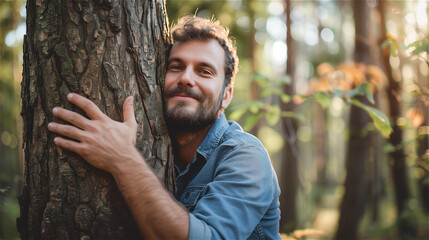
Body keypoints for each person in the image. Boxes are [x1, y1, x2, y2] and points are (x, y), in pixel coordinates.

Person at [48, 16, 281, 239]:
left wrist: (123, 159)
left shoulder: (245, 155)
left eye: (205, 71)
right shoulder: (156, 144)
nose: (186, 78)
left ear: (226, 96)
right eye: (176, 66)